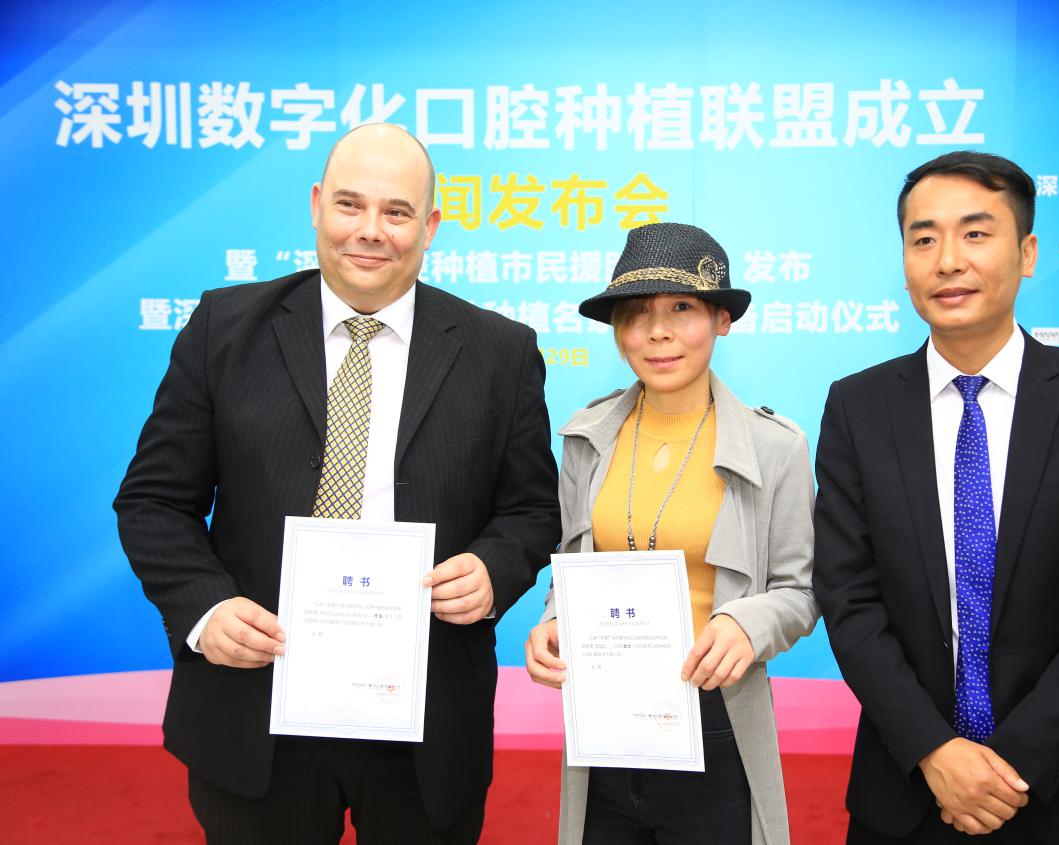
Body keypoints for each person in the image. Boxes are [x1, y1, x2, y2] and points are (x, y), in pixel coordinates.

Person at [114, 123, 560, 844]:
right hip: (256, 703)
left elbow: (533, 508)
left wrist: (493, 568)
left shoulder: (500, 351)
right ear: (317, 205)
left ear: (429, 226)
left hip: (424, 711)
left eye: (396, 211)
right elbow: (154, 501)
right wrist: (206, 609)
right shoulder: (224, 327)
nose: (370, 230)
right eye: (350, 204)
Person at [812, 151, 1059, 844]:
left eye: (975, 233)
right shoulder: (857, 406)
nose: (948, 260)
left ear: (1027, 253)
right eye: (923, 239)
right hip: (909, 788)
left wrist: (1012, 763)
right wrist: (934, 750)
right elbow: (848, 596)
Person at [524, 222, 819, 844]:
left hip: (716, 720)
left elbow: (801, 591)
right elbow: (570, 567)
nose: (657, 331)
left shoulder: (775, 446)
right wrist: (555, 620)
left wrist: (748, 623)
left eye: (682, 308)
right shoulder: (586, 437)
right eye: (636, 313)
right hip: (604, 721)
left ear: (721, 320)